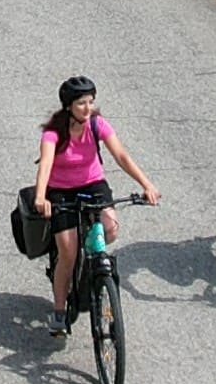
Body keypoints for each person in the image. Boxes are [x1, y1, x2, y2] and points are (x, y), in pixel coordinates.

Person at [31, 75, 157, 323]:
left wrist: (146, 184)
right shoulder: (53, 132)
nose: (87, 108)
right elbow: (45, 165)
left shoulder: (98, 124)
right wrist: (40, 196)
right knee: (68, 252)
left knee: (110, 229)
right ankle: (58, 312)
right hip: (61, 190)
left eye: (90, 101)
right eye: (81, 103)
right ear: (68, 106)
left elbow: (121, 155)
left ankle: (91, 268)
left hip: (93, 184)